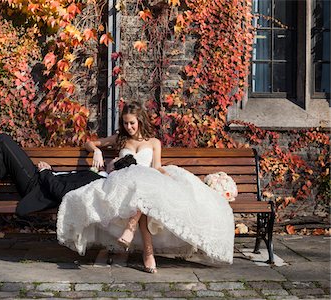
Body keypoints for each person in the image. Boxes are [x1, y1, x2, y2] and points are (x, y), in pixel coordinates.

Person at [56, 101, 235, 273]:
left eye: (132, 123)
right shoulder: (120, 138)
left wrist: (170, 178)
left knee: (144, 188)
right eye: (125, 123)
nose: (129, 127)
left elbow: (156, 167)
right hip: (123, 182)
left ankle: (132, 230)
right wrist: (97, 150)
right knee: (139, 187)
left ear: (140, 120)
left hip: (145, 181)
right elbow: (89, 143)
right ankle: (146, 251)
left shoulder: (154, 142)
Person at [0, 133, 105, 216]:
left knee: (1, 140)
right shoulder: (95, 176)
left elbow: (61, 192)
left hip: (36, 186)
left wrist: (46, 172)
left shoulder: (97, 180)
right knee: (1, 147)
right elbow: (65, 182)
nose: (111, 159)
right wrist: (50, 172)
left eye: (115, 159)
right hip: (40, 180)